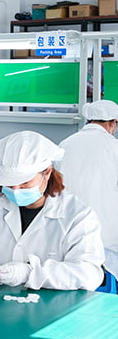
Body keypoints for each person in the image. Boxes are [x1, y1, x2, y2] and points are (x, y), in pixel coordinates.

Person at [0, 131, 104, 290]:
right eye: (9, 184)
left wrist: (31, 272)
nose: (15, 190)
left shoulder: (78, 215)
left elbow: (88, 273)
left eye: (25, 183)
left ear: (47, 172)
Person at [58, 100, 118, 286]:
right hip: (106, 230)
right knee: (106, 274)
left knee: (73, 276)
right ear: (113, 123)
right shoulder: (114, 147)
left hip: (68, 224)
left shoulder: (66, 144)